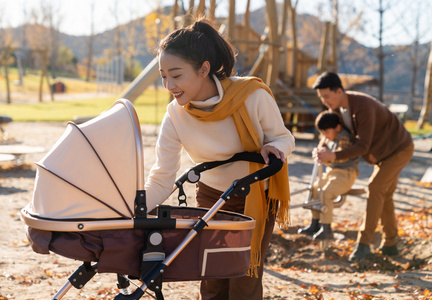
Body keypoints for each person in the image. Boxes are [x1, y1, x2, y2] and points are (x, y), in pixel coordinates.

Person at [144, 18, 295, 300]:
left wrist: (275, 148)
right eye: (163, 76)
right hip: (212, 196)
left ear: (203, 69)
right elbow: (162, 176)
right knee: (211, 276)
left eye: (176, 75)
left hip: (256, 196)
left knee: (243, 279)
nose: (168, 85)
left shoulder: (251, 96)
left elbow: (284, 137)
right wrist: (135, 206)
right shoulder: (175, 116)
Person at [311, 72, 414, 261]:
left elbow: (362, 146)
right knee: (384, 196)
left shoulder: (363, 106)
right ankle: (391, 244)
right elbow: (328, 134)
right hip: (382, 154)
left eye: (327, 96)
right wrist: (320, 149)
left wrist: (333, 155)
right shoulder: (336, 111)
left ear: (340, 91)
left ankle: (364, 244)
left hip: (399, 149)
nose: (325, 101)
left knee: (375, 188)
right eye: (321, 98)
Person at [297, 111, 359, 240]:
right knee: (314, 189)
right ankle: (315, 223)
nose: (325, 135)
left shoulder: (344, 137)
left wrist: (327, 155)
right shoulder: (328, 138)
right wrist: (321, 148)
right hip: (332, 172)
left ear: (337, 127)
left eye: (327, 132)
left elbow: (343, 155)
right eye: (322, 133)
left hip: (346, 173)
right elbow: (324, 153)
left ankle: (326, 228)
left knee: (326, 193)